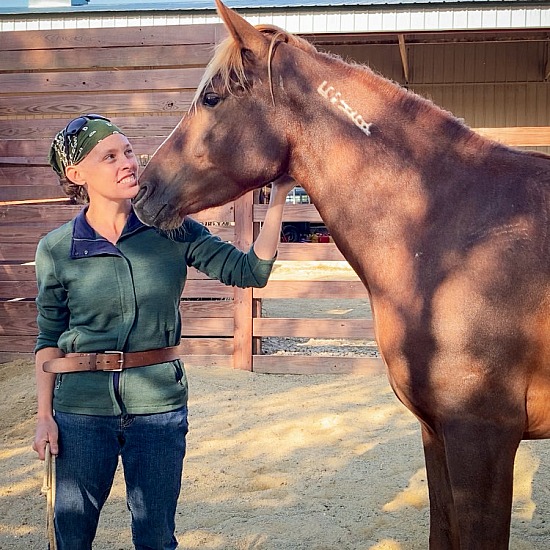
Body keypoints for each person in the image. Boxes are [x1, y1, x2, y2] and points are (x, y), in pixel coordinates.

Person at [31, 114, 295, 550]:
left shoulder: (170, 229)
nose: (128, 163)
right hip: (79, 412)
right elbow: (48, 340)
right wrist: (44, 417)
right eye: (110, 156)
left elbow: (249, 271)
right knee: (72, 537)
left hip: (158, 409)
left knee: (156, 538)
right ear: (77, 174)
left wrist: (280, 197)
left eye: (129, 151)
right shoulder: (57, 249)